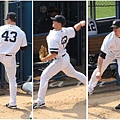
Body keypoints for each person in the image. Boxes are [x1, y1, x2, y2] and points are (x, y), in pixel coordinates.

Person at [33, 15, 86, 109]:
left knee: (44, 77)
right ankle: (89, 85)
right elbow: (75, 28)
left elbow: (54, 53)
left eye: (55, 21)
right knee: (73, 73)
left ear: (59, 24)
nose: (53, 22)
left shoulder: (54, 36)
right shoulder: (65, 30)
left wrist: (44, 59)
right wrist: (81, 24)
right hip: (65, 57)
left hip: (59, 60)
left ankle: (40, 101)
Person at [0, 12, 27, 108]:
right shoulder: (21, 32)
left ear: (8, 19)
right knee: (12, 80)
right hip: (10, 57)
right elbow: (24, 48)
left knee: (12, 80)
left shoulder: (1, 28)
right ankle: (13, 103)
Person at [88, 19, 120, 96]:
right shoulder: (109, 39)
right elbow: (101, 55)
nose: (114, 29)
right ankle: (89, 89)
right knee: (98, 70)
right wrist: (99, 71)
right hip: (110, 54)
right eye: (113, 28)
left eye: (116, 28)